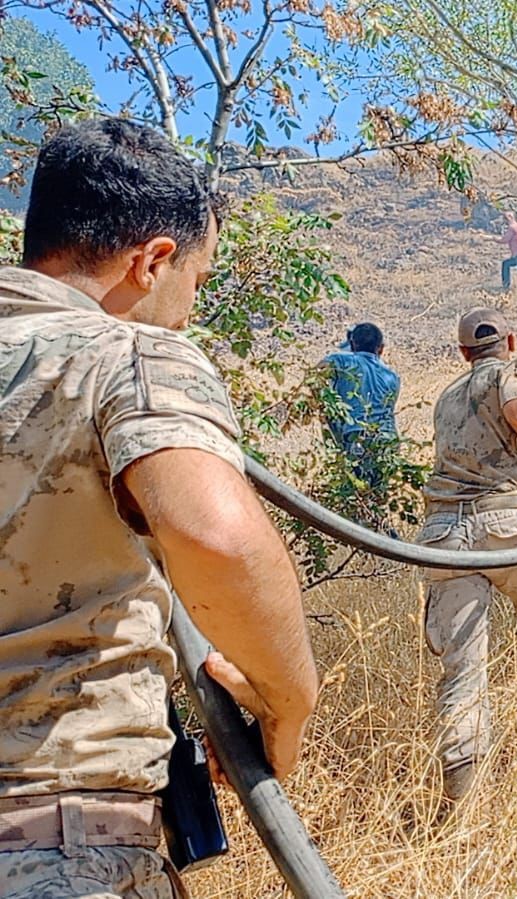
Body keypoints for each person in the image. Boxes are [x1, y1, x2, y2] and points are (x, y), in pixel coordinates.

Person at [0, 119, 319, 897]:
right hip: (50, 838)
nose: (189, 311)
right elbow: (217, 537)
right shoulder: (128, 354)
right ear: (153, 261)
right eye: (197, 285)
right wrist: (289, 702)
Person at [416, 308, 517, 803]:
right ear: (509, 339)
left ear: (463, 353)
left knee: (463, 672)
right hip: (505, 528)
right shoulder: (512, 371)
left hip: (445, 538)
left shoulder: (447, 396)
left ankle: (462, 802)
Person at [320, 321, 400, 492]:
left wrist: (327, 409)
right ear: (381, 348)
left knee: (353, 491)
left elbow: (315, 376)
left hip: (356, 438)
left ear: (353, 344)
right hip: (388, 441)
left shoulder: (340, 361)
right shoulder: (392, 376)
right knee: (378, 494)